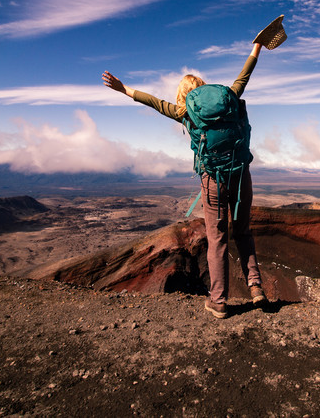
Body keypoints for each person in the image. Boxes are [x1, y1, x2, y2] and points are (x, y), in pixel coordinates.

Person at [102, 18, 285, 318]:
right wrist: (257, 47)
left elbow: (152, 102)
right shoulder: (228, 96)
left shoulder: (184, 111)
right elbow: (245, 74)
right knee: (243, 232)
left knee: (217, 239)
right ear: (202, 88)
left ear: (183, 94)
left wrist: (123, 89)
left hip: (213, 180)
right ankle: (256, 289)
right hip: (241, 174)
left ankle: (219, 301)